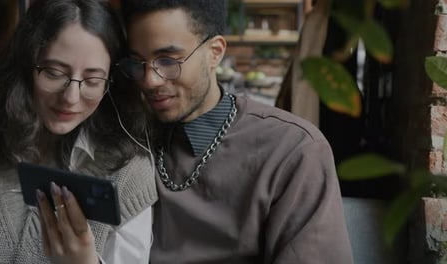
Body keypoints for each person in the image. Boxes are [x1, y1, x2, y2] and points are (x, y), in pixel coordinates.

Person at [117, 1, 353, 263]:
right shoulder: (126, 138)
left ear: (215, 52)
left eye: (168, 60)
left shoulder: (292, 150)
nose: (150, 80)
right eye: (137, 63)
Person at [0, 0, 157, 263]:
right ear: (25, 65)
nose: (71, 97)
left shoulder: (130, 172)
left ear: (110, 84)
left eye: (93, 80)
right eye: (54, 73)